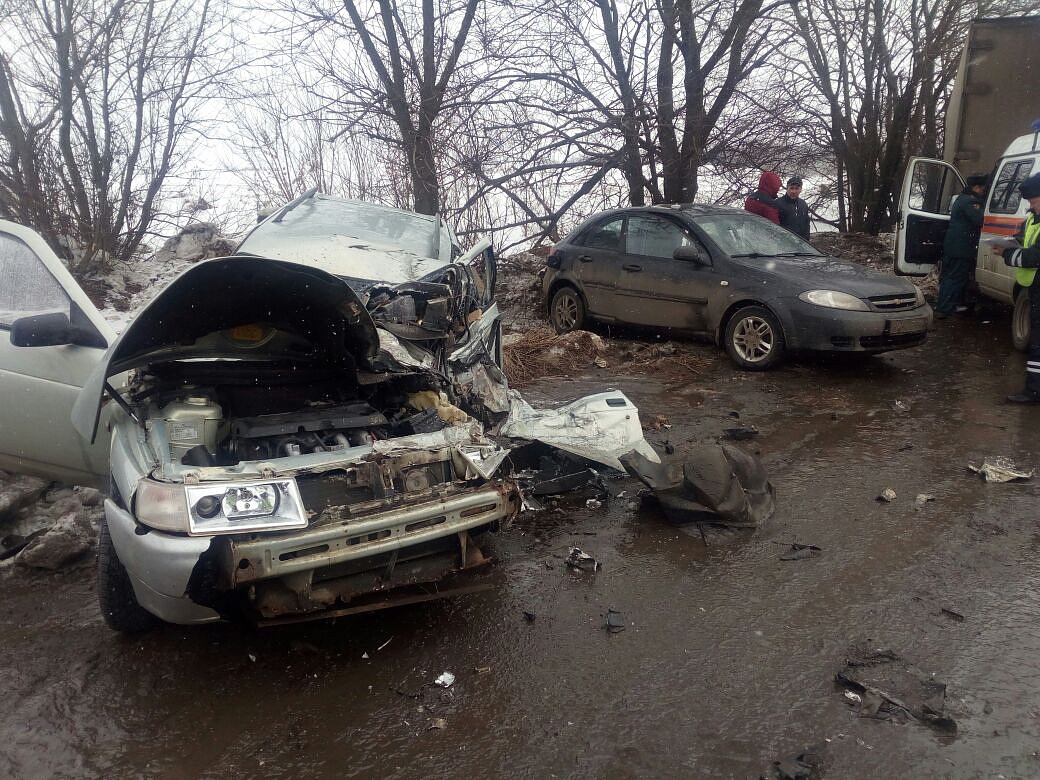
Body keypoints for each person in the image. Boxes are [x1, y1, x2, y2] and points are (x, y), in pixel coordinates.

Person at [996, 172, 1040, 403]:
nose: (1031, 206)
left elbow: (1034, 257)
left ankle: (1035, 392)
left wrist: (1008, 253)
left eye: (1034, 201)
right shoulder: (1035, 218)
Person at [936, 173, 988, 319]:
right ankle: (945, 309)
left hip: (954, 247)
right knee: (955, 278)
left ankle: (944, 306)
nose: (983, 192)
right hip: (961, 248)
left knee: (948, 277)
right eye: (982, 190)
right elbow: (980, 219)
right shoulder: (970, 202)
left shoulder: (961, 198)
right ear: (976, 187)